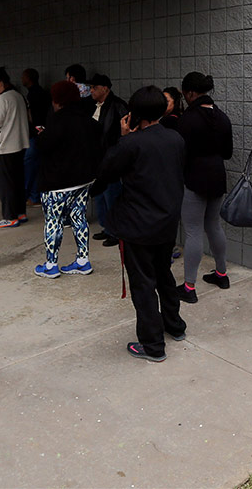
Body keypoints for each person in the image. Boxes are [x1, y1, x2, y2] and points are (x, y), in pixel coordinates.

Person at [96, 86, 186, 362]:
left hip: (138, 224)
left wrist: (122, 139)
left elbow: (106, 173)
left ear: (134, 114)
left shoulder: (131, 144)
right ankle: (174, 325)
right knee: (163, 275)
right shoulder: (175, 138)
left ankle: (152, 344)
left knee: (143, 283)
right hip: (167, 220)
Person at [32, 81, 103, 278]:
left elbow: (43, 146)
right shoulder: (88, 120)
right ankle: (83, 261)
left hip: (57, 183)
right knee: (79, 217)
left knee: (53, 221)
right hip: (84, 180)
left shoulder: (57, 121)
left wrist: (42, 135)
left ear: (57, 100)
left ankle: (51, 265)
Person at [174, 72, 233, 300]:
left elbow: (179, 154)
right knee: (214, 226)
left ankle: (189, 288)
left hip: (194, 179)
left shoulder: (186, 120)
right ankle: (221, 274)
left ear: (190, 93)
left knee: (193, 231)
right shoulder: (222, 117)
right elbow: (227, 153)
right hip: (218, 176)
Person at [88, 74, 129, 246]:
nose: (91, 91)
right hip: (98, 157)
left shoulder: (118, 106)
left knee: (111, 194)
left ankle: (115, 230)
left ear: (105, 88)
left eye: (94, 87)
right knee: (99, 194)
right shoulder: (94, 106)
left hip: (111, 157)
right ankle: (106, 227)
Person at [0, 68, 31, 228]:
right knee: (18, 181)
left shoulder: (2, 99)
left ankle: (10, 216)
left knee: (6, 184)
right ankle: (20, 212)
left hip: (4, 146)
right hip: (20, 144)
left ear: (0, 82)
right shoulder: (19, 96)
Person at [20, 68, 49, 206]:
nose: (21, 79)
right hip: (39, 133)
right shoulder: (39, 92)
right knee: (36, 165)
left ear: (29, 78)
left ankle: (32, 195)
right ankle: (34, 195)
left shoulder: (34, 95)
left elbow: (35, 117)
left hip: (36, 133)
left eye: (23, 77)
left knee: (30, 165)